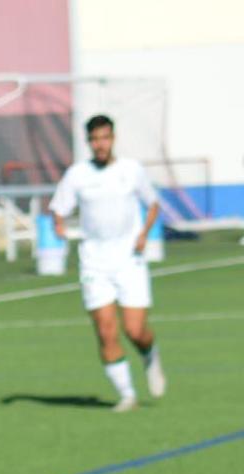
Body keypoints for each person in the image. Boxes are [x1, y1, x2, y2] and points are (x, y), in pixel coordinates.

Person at [50, 114, 163, 411]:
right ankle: (127, 395)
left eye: (105, 138)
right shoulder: (77, 175)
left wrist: (143, 235)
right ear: (89, 142)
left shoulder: (131, 170)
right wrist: (59, 227)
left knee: (135, 330)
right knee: (105, 330)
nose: (100, 144)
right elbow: (58, 208)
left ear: (113, 138)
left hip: (129, 259)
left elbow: (153, 204)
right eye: (95, 139)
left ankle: (150, 355)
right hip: (94, 262)